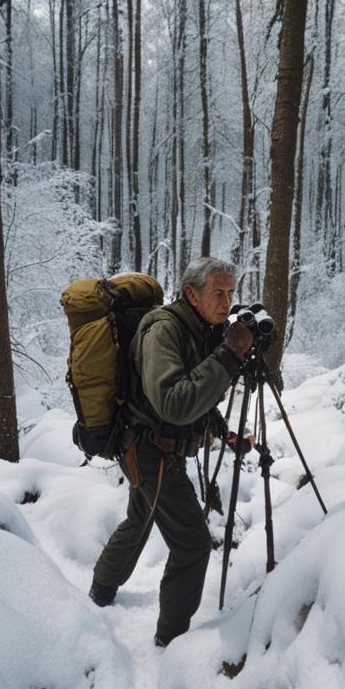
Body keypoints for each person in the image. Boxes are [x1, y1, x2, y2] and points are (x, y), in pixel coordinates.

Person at [88, 256, 252, 647]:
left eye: (230, 293)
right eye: (218, 293)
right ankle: (171, 642)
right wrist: (229, 356)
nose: (226, 303)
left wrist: (221, 431)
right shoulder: (164, 330)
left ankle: (101, 590)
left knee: (140, 518)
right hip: (150, 451)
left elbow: (194, 387)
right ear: (191, 294)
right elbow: (174, 403)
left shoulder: (198, 328)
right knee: (194, 545)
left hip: (155, 447)